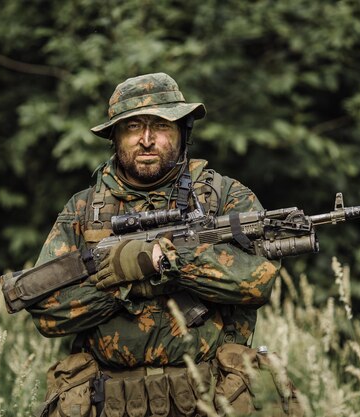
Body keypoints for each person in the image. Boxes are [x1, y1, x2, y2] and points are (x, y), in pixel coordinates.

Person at [27, 73, 302, 417]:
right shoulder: (82, 211)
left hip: (213, 399)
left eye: (160, 126)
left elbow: (257, 281)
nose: (146, 139)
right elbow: (47, 314)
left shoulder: (224, 197)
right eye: (132, 128)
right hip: (110, 403)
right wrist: (126, 280)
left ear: (183, 132)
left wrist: (168, 262)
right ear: (114, 137)